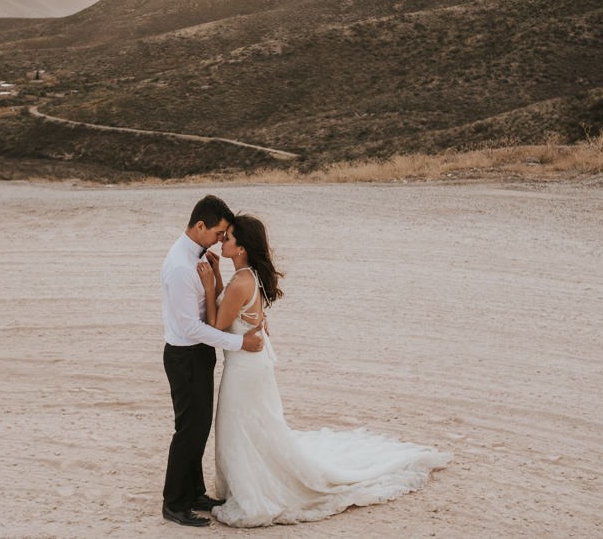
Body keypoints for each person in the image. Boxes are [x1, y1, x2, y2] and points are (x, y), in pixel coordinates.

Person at [196, 213, 450, 527]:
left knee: (241, 429)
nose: (223, 241)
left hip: (244, 370)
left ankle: (254, 490)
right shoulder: (248, 277)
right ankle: (245, 483)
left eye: (229, 238)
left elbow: (215, 326)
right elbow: (233, 312)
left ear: (242, 248)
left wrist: (209, 287)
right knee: (252, 429)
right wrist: (219, 281)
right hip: (251, 367)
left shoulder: (241, 282)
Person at [160, 195, 264, 528]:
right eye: (219, 233)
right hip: (184, 355)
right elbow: (193, 326)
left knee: (199, 426)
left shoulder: (199, 258)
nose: (221, 240)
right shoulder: (179, 266)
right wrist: (240, 342)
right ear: (200, 226)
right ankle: (174, 503)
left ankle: (194, 493)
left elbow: (210, 313)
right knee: (189, 430)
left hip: (198, 353)